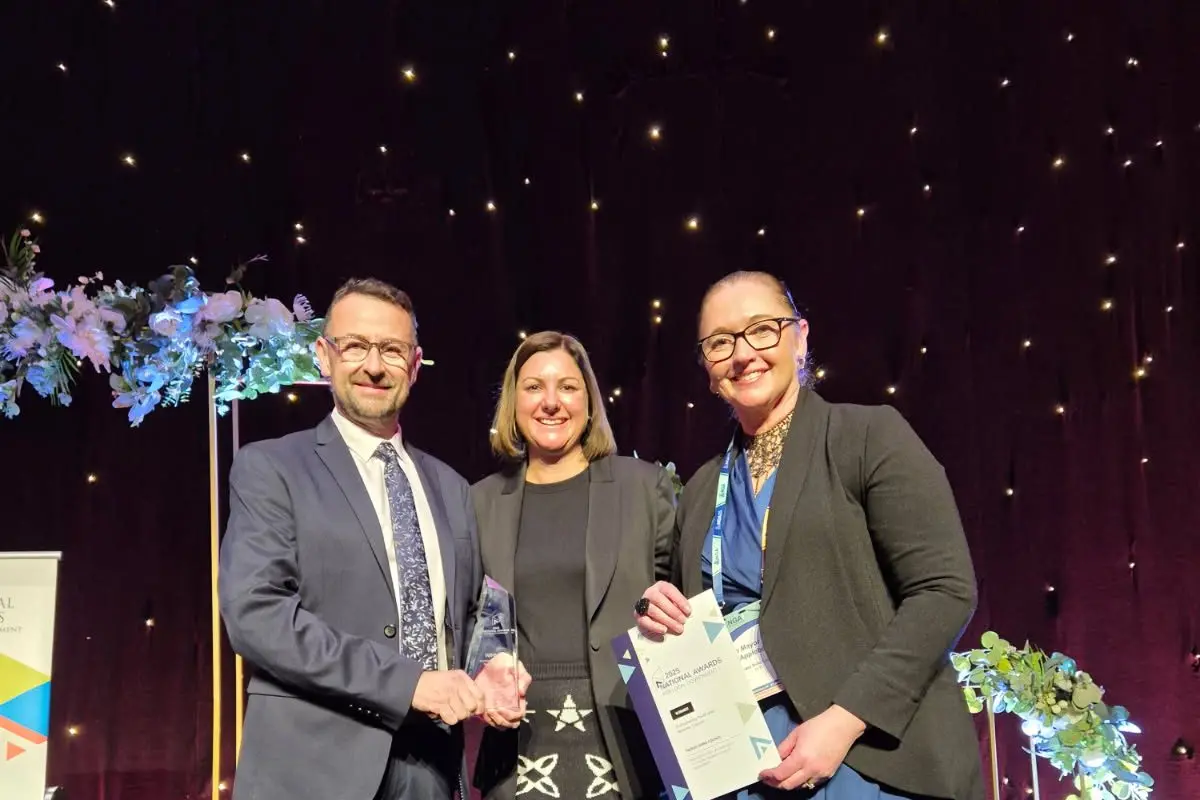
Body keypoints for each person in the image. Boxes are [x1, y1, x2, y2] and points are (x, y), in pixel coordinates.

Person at [635, 271, 984, 800]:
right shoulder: (704, 487)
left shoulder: (868, 437)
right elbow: (703, 614)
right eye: (720, 342)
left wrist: (846, 720)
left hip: (867, 757)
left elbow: (945, 591)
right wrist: (661, 607)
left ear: (799, 337)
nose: (742, 353)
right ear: (708, 371)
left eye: (761, 330)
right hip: (745, 770)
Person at [219, 278, 526, 800]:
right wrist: (406, 684)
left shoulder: (451, 488)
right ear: (324, 355)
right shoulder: (271, 468)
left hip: (431, 768)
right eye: (356, 346)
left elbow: (468, 613)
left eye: (392, 349)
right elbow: (257, 616)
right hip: (312, 771)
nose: (375, 365)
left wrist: (491, 664)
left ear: (415, 363)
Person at [471, 331, 678, 799]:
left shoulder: (642, 487)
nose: (551, 402)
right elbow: (470, 619)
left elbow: (681, 595)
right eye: (533, 387)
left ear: (589, 401)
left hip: (624, 734)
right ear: (513, 401)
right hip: (518, 737)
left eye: (567, 386)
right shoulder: (481, 501)